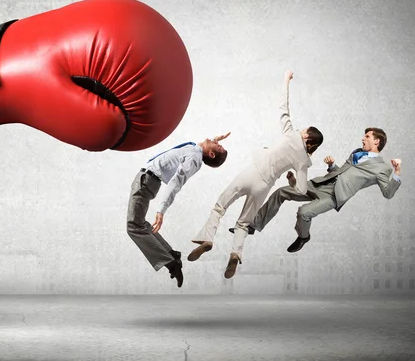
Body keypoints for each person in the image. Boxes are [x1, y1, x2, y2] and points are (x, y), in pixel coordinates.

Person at [187, 70, 324, 279]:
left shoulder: (290, 134)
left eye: (304, 129)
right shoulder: (304, 161)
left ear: (306, 135)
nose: (301, 129)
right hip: (265, 185)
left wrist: (285, 80)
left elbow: (283, 108)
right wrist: (292, 179)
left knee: (221, 205)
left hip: (251, 172)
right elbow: (302, 190)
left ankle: (207, 238)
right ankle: (235, 253)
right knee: (243, 222)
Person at [250, 127, 402, 252]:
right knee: (280, 192)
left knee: (303, 212)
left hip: (334, 196)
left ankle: (303, 237)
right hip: (323, 184)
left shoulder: (382, 168)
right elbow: (342, 171)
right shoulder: (357, 152)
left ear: (377, 141)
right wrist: (332, 166)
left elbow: (388, 193)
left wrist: (396, 172)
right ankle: (254, 225)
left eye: (367, 137)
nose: (363, 139)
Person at [127, 133, 230, 288]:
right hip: (146, 180)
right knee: (139, 224)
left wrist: (161, 210)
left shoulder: (195, 159)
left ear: (211, 153)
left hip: (146, 181)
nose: (216, 141)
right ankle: (171, 254)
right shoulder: (195, 151)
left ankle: (170, 263)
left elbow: (176, 182)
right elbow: (203, 146)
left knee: (133, 227)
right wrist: (214, 141)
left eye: (218, 146)